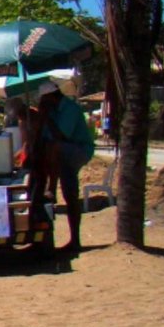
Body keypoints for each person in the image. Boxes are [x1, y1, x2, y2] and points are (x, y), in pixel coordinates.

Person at [34, 83, 96, 253]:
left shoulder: (70, 109)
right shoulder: (52, 110)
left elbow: (61, 135)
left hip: (78, 149)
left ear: (52, 97)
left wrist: (46, 118)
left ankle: (52, 186)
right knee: (44, 149)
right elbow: (41, 137)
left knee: (54, 148)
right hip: (60, 154)